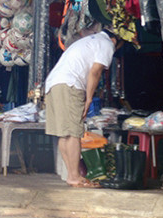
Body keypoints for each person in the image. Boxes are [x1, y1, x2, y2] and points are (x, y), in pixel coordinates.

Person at [44, 28, 122, 188]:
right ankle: (74, 176)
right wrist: (88, 99)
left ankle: (72, 175)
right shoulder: (107, 44)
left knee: (64, 133)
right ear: (116, 40)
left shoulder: (90, 41)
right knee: (73, 132)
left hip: (54, 83)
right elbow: (95, 72)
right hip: (69, 84)